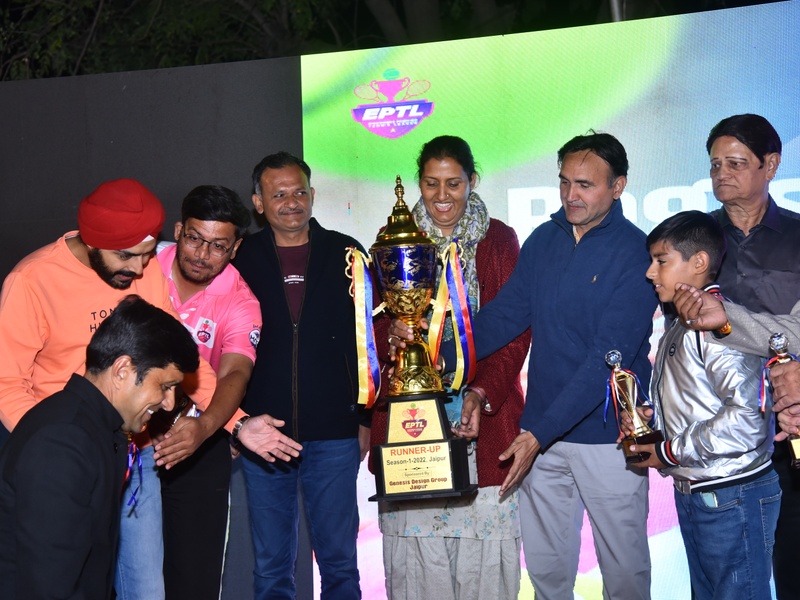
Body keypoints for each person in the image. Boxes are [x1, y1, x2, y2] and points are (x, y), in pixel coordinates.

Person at [0, 178, 302, 600]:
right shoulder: (32, 280)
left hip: (132, 452)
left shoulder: (144, 274)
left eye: (146, 256)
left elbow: (184, 362)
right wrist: (52, 447)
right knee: (63, 578)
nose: (139, 270)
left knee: (145, 589)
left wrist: (236, 423)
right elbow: (7, 386)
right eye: (126, 256)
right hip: (59, 458)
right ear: (92, 241)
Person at [391, 131, 657, 598]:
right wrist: (432, 355)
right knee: (547, 576)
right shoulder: (543, 240)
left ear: (618, 187)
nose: (571, 195)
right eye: (564, 182)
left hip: (607, 438)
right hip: (542, 439)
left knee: (624, 575)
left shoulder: (638, 253)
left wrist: (538, 434)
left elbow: (604, 362)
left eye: (585, 185)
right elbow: (503, 318)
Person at [370, 135, 530, 599]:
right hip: (411, 427)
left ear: (472, 180)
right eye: (431, 183)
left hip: (485, 423)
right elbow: (371, 325)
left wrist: (481, 393)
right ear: (419, 183)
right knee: (418, 567)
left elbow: (516, 328)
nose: (442, 196)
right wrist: (392, 334)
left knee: (485, 568)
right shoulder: (393, 242)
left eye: (454, 184)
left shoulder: (498, 240)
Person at [234, 151, 374, 599]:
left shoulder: (348, 253)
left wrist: (365, 417)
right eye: (278, 195)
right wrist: (233, 422)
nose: (291, 202)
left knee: (340, 563)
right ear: (259, 202)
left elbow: (369, 342)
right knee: (272, 569)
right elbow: (222, 346)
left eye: (299, 192)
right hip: (264, 434)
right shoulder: (239, 258)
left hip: (335, 433)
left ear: (312, 194)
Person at [672, 113, 800, 599]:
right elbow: (676, 335)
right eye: (714, 164)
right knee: (724, 580)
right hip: (719, 434)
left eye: (735, 163)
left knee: (792, 564)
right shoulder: (693, 242)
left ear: (772, 164)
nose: (721, 173)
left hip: (791, 425)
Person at [0, 295, 200, 600]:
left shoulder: (99, 429)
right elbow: (48, 585)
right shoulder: (62, 442)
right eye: (165, 386)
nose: (169, 403)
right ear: (122, 370)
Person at [632, 211, 779, 599]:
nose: (650, 272)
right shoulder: (682, 322)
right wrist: (655, 421)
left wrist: (669, 449)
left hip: (732, 493)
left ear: (699, 262)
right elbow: (701, 400)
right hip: (703, 490)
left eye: (661, 261)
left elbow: (747, 419)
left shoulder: (715, 324)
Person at [154, 185, 280, 600]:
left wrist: (207, 427)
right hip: (128, 436)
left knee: (194, 575)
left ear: (235, 248)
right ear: (178, 230)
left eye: (218, 246)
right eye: (194, 238)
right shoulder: (142, 268)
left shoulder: (241, 300)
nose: (201, 254)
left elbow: (235, 374)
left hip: (200, 433)